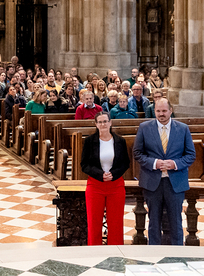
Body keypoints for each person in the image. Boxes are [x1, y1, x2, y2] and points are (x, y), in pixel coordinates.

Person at [133, 98, 196, 245]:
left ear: (170, 111)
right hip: (152, 182)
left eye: (164, 111)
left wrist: (175, 164)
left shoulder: (183, 128)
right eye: (158, 111)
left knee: (176, 222)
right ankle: (154, 253)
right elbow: (137, 153)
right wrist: (154, 163)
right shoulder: (144, 127)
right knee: (153, 222)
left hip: (175, 183)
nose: (161, 114)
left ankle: (177, 254)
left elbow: (190, 155)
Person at [81, 112, 130, 245]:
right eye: (100, 122)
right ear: (96, 124)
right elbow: (84, 165)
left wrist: (113, 174)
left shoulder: (119, 141)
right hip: (95, 184)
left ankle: (115, 251)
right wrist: (100, 174)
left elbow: (125, 163)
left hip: (116, 185)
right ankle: (95, 251)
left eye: (105, 121)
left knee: (116, 222)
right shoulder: (89, 141)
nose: (103, 124)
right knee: (94, 222)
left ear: (110, 123)